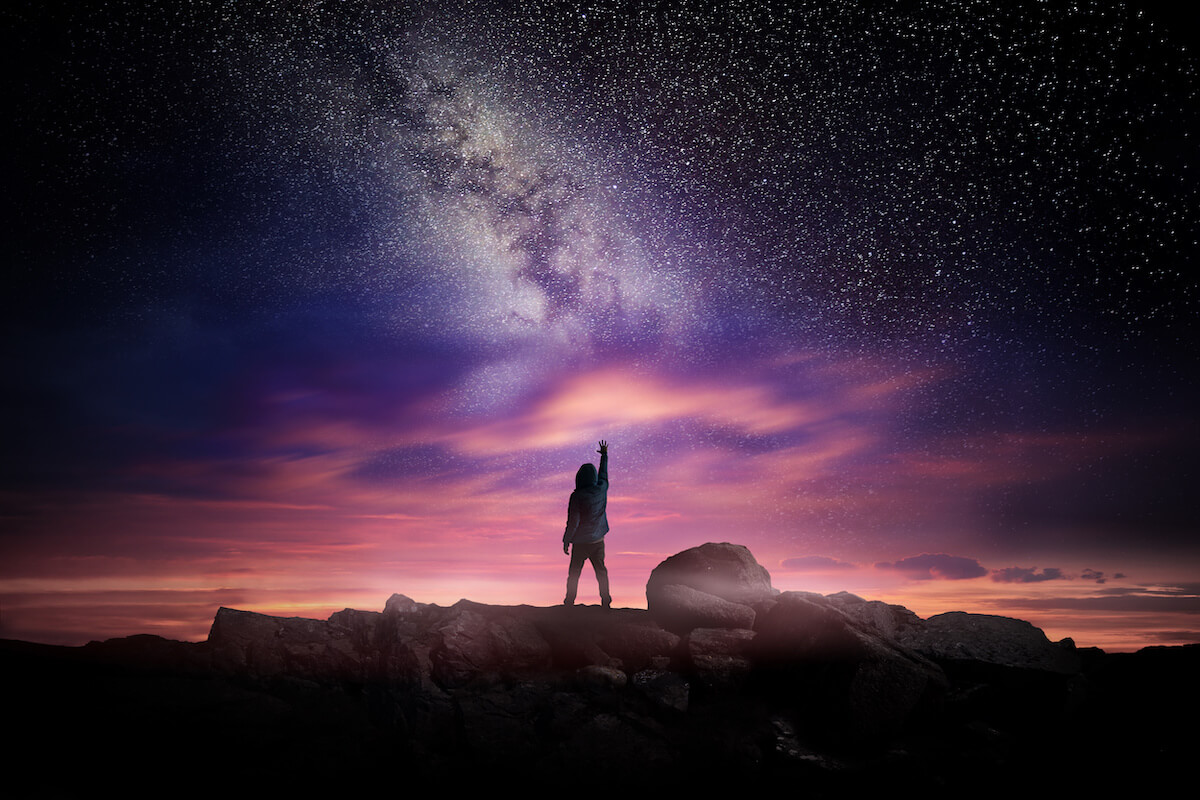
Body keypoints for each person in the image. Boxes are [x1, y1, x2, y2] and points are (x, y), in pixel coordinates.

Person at [562, 439, 611, 608]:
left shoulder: (576, 496)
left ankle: (569, 602)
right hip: (598, 541)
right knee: (601, 572)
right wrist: (604, 455)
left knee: (574, 573)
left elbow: (573, 521)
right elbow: (603, 474)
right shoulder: (602, 488)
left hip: (581, 542)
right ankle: (606, 601)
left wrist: (566, 540)